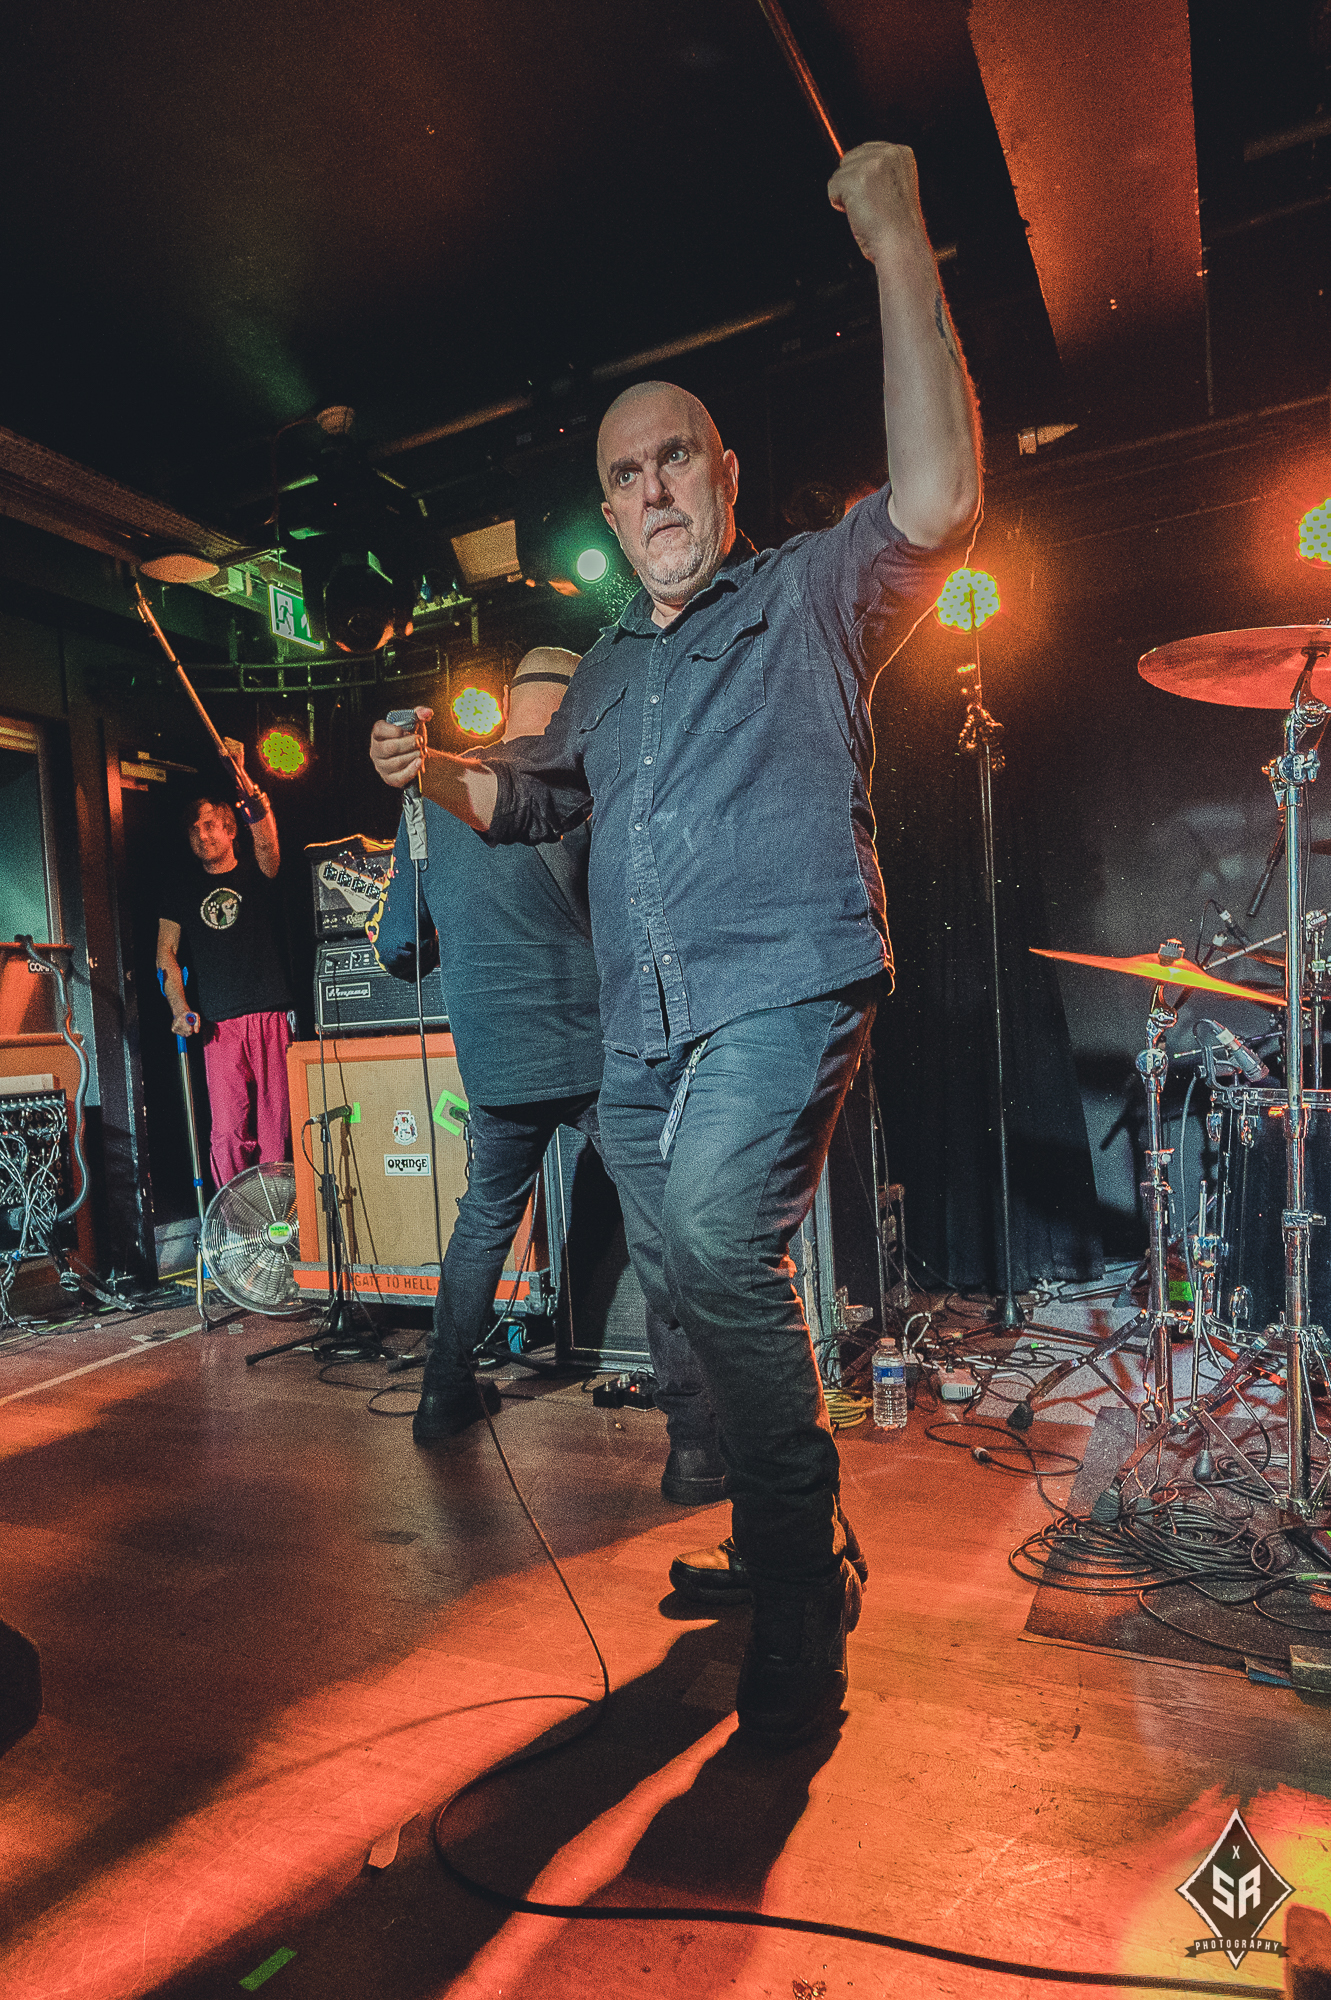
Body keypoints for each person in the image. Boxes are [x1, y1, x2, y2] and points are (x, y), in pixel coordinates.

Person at [370, 142, 982, 1745]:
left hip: (779, 984)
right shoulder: (609, 676)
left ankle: (802, 1585)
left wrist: (894, 244)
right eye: (624, 475)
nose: (650, 490)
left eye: (674, 462)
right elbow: (527, 802)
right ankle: (765, 1532)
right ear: (607, 507)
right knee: (685, 1282)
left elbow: (936, 500)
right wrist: (429, 774)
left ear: (720, 473)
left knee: (714, 1241)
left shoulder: (804, 594)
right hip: (639, 1035)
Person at [373, 647, 724, 1499]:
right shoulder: (588, 784)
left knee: (483, 1220)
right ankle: (695, 1447)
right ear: (577, 706)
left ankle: (441, 1397)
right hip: (600, 1049)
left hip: (495, 1058)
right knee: (658, 1230)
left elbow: (397, 948)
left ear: (505, 701)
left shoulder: (440, 791)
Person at [156, 737, 294, 1192]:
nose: (203, 835)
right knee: (229, 1132)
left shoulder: (256, 870)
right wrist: (179, 1008)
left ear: (231, 829)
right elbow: (165, 954)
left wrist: (241, 773)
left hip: (269, 1014)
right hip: (219, 1025)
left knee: (276, 1127)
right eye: (195, 829)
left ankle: (281, 1217)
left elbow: (267, 839)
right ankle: (236, 1220)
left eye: (212, 825)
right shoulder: (181, 888)